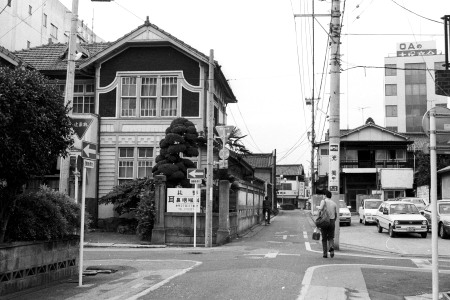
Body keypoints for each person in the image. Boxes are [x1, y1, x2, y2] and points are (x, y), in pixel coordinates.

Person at [318, 190, 338, 258]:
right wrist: (333, 221)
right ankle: (331, 249)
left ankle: (325, 254)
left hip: (324, 221)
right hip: (332, 221)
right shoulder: (334, 203)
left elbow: (320, 209)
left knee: (324, 238)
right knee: (331, 237)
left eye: (324, 195)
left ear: (325, 195)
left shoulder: (323, 201)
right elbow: (336, 215)